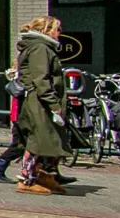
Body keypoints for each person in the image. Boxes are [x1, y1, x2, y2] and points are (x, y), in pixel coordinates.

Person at [5, 16, 71, 195]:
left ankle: (43, 174)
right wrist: (54, 104)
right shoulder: (40, 48)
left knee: (51, 138)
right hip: (39, 102)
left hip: (40, 100)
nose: (60, 33)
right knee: (37, 138)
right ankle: (26, 179)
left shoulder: (41, 47)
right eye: (57, 29)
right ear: (46, 30)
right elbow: (41, 78)